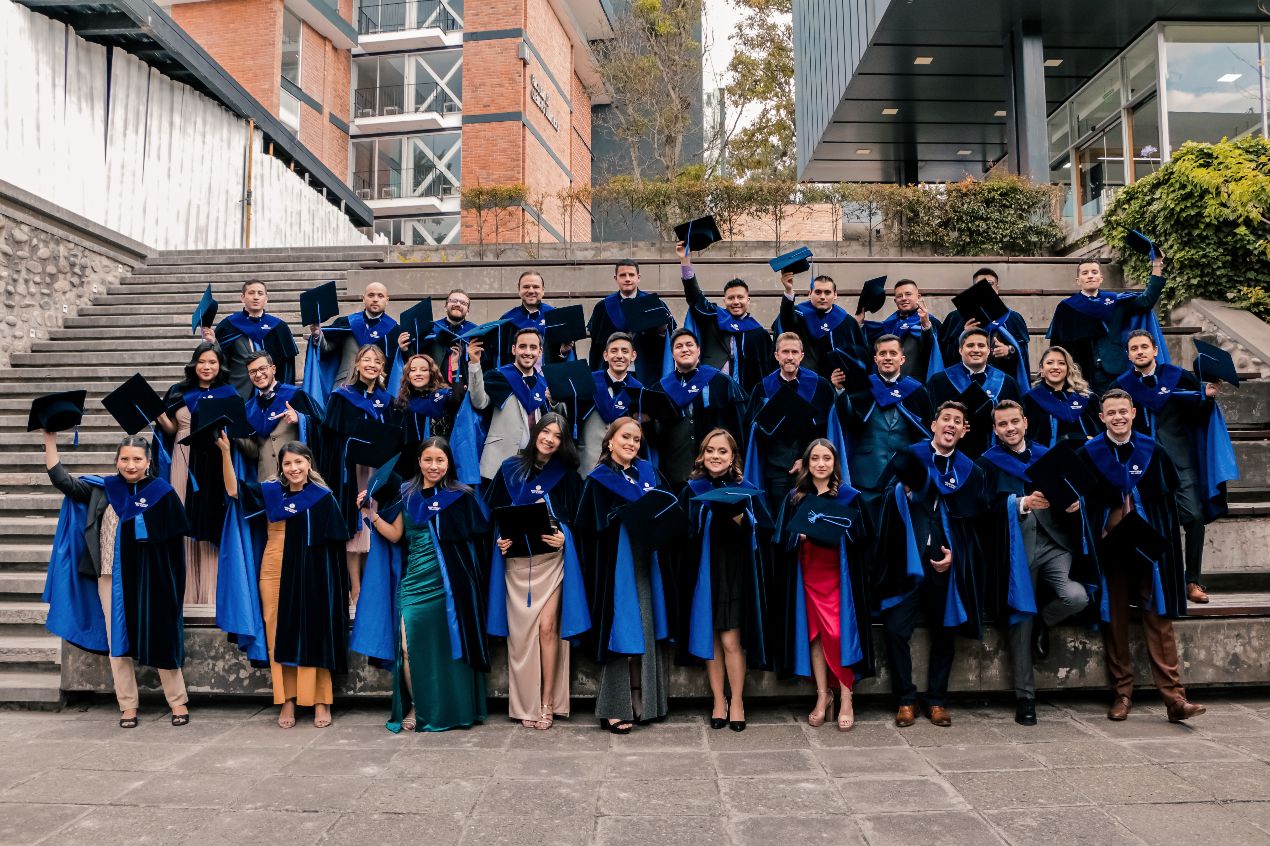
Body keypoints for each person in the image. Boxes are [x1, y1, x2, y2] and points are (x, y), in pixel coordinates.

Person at [43, 432, 191, 728]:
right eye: (124, 459)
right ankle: (128, 705)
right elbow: (63, 481)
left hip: (153, 579)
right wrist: (50, 440)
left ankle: (177, 701)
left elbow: (175, 544)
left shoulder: (162, 493)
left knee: (161, 635)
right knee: (117, 642)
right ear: (116, 461)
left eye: (137, 459)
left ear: (148, 461)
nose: (130, 465)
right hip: (111, 579)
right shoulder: (104, 490)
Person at [1077, 390, 1205, 723]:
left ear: (1133, 413)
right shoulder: (1088, 454)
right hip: (1111, 547)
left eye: (1123, 411)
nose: (1118, 417)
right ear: (1101, 418)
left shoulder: (1153, 451)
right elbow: (1081, 503)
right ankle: (1122, 693)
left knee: (1158, 618)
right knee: (1115, 619)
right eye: (1111, 413)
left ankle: (1175, 699)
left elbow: (1167, 505)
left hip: (1147, 547)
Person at [355, 436, 490, 732]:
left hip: (450, 584)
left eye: (440, 460)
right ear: (418, 461)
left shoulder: (461, 496)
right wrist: (369, 514)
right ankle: (418, 705)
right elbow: (395, 535)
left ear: (449, 463)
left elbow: (474, 546)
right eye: (428, 460)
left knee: (447, 646)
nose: (434, 466)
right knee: (407, 646)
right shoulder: (406, 494)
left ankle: (453, 708)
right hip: (414, 581)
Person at [219, 438, 348, 729]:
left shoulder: (322, 497)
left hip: (311, 571)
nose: (293, 468)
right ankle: (287, 698)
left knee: (313, 632)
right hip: (274, 569)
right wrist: (226, 452)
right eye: (287, 463)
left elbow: (335, 548)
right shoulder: (271, 492)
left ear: (309, 463)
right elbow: (233, 490)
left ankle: (321, 699)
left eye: (298, 462)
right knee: (277, 633)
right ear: (280, 467)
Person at [875, 401, 989, 728]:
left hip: (944, 567)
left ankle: (937, 699)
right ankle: (905, 699)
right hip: (906, 563)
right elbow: (881, 499)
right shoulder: (909, 458)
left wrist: (956, 556)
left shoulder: (972, 472)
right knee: (896, 629)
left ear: (964, 431)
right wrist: (903, 494)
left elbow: (974, 526)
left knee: (945, 632)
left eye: (958, 421)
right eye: (946, 418)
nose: (951, 424)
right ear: (933, 424)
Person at [976, 401, 1090, 726]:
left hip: (1053, 544)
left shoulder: (1047, 455)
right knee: (1019, 621)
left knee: (1077, 597)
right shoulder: (987, 463)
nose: (1010, 428)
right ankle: (1025, 698)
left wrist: (1075, 504)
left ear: (1025, 422)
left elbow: (1074, 492)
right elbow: (982, 509)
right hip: (1016, 550)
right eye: (1002, 424)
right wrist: (1020, 503)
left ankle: (1044, 621)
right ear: (995, 430)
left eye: (1015, 421)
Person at [484, 414, 590, 729]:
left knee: (547, 629)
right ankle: (525, 705)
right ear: (536, 432)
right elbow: (495, 517)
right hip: (517, 564)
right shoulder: (509, 469)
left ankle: (548, 702)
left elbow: (579, 523)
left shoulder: (568, 477)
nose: (549, 439)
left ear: (563, 442)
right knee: (520, 638)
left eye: (557, 435)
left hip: (551, 562)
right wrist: (500, 540)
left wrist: (565, 537)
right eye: (546, 432)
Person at [575, 417, 680, 733]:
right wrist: (619, 518)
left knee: (646, 626)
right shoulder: (598, 480)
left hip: (647, 559)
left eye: (636, 439)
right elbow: (586, 529)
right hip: (615, 565)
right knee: (621, 630)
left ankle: (647, 699)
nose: (632, 443)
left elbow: (669, 509)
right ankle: (613, 707)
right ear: (610, 441)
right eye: (626, 437)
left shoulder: (649, 473)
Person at [1117, 330, 1234, 604]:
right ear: (1128, 355)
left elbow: (1198, 415)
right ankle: (1157, 583)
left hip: (1179, 459)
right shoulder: (1121, 386)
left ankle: (1192, 580)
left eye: (1144, 347)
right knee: (1150, 524)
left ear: (1155, 350)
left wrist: (1208, 397)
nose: (1140, 352)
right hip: (1143, 464)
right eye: (1134, 348)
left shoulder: (1178, 377)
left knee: (1194, 516)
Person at [774, 439, 873, 732]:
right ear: (807, 463)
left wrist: (833, 531)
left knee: (839, 635)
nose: (820, 463)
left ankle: (846, 696)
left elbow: (863, 536)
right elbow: (781, 539)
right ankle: (822, 695)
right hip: (808, 576)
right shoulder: (795, 498)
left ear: (834, 463)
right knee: (815, 637)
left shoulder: (849, 497)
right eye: (815, 458)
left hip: (838, 578)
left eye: (826, 458)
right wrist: (799, 535)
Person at [677, 429, 769, 732]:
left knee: (731, 640)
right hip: (703, 573)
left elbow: (762, 531)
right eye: (710, 450)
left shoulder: (744, 490)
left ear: (732, 458)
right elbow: (681, 533)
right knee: (711, 638)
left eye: (722, 451)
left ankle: (738, 701)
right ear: (702, 455)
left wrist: (740, 517)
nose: (715, 456)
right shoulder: (692, 490)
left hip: (733, 573)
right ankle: (719, 700)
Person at [156, 343, 237, 604]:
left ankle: (211, 594)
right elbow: (170, 430)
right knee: (184, 519)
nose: (207, 367)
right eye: (202, 361)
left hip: (212, 462)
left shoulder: (228, 394)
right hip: (182, 461)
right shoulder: (178, 391)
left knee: (208, 520)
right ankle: (187, 592)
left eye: (212, 362)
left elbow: (235, 431)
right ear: (194, 364)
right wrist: (158, 414)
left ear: (220, 365)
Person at [316, 344, 394, 604]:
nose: (372, 365)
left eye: (377, 361)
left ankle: (369, 585)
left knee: (373, 524)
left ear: (382, 368)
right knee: (355, 526)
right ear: (357, 364)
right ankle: (355, 587)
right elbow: (329, 436)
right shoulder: (342, 397)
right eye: (367, 360)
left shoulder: (387, 401)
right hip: (352, 471)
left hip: (377, 472)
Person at [833, 334, 934, 519]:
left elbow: (925, 434)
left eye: (893, 353)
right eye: (883, 353)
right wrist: (840, 390)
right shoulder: (863, 387)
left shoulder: (917, 392)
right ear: (875, 359)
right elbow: (845, 422)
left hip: (901, 479)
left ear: (902, 359)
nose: (888, 357)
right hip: (865, 475)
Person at [743, 332, 835, 518]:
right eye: (785, 352)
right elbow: (752, 429)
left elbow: (827, 430)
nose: (790, 357)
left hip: (813, 469)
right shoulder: (763, 388)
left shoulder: (820, 386)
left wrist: (806, 459)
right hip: (777, 470)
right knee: (781, 522)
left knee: (809, 521)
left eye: (794, 352)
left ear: (802, 355)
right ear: (776, 355)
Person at [643, 328, 747, 492]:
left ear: (698, 350)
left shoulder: (721, 382)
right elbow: (655, 437)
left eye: (689, 345)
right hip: (675, 473)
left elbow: (738, 425)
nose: (685, 349)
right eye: (679, 346)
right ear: (672, 354)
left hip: (714, 473)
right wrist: (646, 422)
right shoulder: (660, 389)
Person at [1046, 255, 1166, 393]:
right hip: (1081, 373)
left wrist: (1157, 264)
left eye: (1094, 272)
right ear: (1078, 281)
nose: (1090, 276)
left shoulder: (1115, 302)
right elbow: (1058, 344)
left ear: (1101, 278)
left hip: (1115, 369)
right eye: (1085, 273)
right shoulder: (1067, 307)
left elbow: (1147, 300)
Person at [677, 241, 772, 395]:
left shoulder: (758, 333)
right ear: (724, 301)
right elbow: (695, 297)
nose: (736, 302)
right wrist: (685, 262)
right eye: (731, 298)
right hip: (712, 388)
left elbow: (767, 369)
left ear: (748, 300)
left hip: (745, 392)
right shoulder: (714, 317)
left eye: (740, 297)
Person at [467, 327, 553, 481]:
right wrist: (474, 364)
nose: (527, 352)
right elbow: (479, 403)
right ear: (514, 349)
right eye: (522, 346)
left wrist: (552, 401)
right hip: (499, 458)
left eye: (533, 347)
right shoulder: (498, 376)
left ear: (540, 352)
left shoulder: (543, 384)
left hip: (533, 461)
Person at [926, 327, 1023, 458]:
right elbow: (931, 419)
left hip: (998, 455)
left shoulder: (1007, 382)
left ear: (988, 350)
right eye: (970, 345)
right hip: (954, 455)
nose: (976, 350)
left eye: (981, 345)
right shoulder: (939, 382)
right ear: (960, 350)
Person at [306, 281, 404, 398]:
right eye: (371, 295)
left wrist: (405, 351)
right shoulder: (346, 323)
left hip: (380, 389)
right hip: (346, 385)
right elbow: (327, 350)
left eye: (380, 296)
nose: (375, 299)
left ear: (387, 300)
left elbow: (399, 366)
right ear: (363, 298)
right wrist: (318, 335)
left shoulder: (395, 331)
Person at [204, 281, 298, 398]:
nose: (256, 297)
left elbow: (287, 366)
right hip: (239, 390)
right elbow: (220, 361)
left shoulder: (279, 327)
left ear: (266, 298)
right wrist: (212, 343)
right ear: (242, 297)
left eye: (260, 293)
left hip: (272, 392)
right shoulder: (228, 325)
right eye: (251, 293)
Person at [939, 267, 1031, 387]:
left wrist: (1009, 350)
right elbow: (945, 353)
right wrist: (963, 335)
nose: (985, 288)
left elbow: (1023, 351)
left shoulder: (1013, 318)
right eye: (980, 285)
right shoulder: (955, 317)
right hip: (963, 383)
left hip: (1001, 383)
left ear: (997, 288)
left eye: (990, 284)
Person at [775, 270, 867, 389]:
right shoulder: (799, 314)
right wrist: (788, 290)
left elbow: (859, 352)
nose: (822, 297)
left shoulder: (846, 321)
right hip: (804, 381)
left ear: (835, 295)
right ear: (810, 294)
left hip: (835, 384)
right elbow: (786, 321)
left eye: (827, 292)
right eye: (818, 292)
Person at [237, 351, 320, 482]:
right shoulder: (249, 409)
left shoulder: (295, 395)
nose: (258, 374)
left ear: (273, 369)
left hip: (299, 477)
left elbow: (322, 427)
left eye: (262, 368)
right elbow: (254, 453)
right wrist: (235, 431)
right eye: (253, 372)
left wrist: (301, 419)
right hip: (267, 481)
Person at [586, 259, 672, 382]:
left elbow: (667, 337)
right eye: (622, 275)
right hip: (611, 373)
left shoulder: (654, 304)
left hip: (646, 373)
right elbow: (596, 345)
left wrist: (662, 330)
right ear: (616, 278)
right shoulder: (603, 307)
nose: (627, 279)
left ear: (638, 277)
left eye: (631, 275)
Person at [576, 332, 643, 474]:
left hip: (622, 467)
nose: (619, 355)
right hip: (587, 462)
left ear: (633, 356)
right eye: (614, 351)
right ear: (605, 355)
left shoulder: (639, 391)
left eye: (625, 351)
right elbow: (571, 413)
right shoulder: (587, 382)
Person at [392, 352, 466, 471]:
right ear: (408, 375)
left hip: (439, 459)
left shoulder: (443, 395)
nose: (418, 373)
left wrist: (455, 366)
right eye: (413, 370)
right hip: (411, 462)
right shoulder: (402, 402)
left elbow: (458, 398)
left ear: (431, 373)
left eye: (424, 370)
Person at [861, 279, 944, 383]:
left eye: (908, 294)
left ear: (918, 297)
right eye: (899, 296)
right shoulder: (888, 325)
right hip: (887, 385)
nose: (904, 298)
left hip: (916, 384)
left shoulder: (931, 322)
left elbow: (932, 351)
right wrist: (859, 323)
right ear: (895, 301)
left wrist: (926, 325)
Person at [1022, 346, 1102, 449]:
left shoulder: (1086, 397)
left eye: (1061, 363)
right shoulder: (1029, 399)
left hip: (1085, 455)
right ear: (1041, 369)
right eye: (1050, 363)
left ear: (1068, 368)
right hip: (1045, 456)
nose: (1055, 367)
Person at [499, 271, 573, 365]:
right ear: (519, 290)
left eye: (536, 287)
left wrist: (563, 352)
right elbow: (501, 357)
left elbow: (568, 357)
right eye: (526, 287)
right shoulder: (507, 321)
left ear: (543, 290)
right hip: (517, 374)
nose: (531, 291)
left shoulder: (556, 317)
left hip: (549, 373)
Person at [416, 289, 477, 386]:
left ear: (468, 311)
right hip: (434, 385)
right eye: (453, 301)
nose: (458, 304)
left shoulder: (475, 332)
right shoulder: (432, 328)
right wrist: (405, 349)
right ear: (445, 306)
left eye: (463, 303)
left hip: (465, 385)